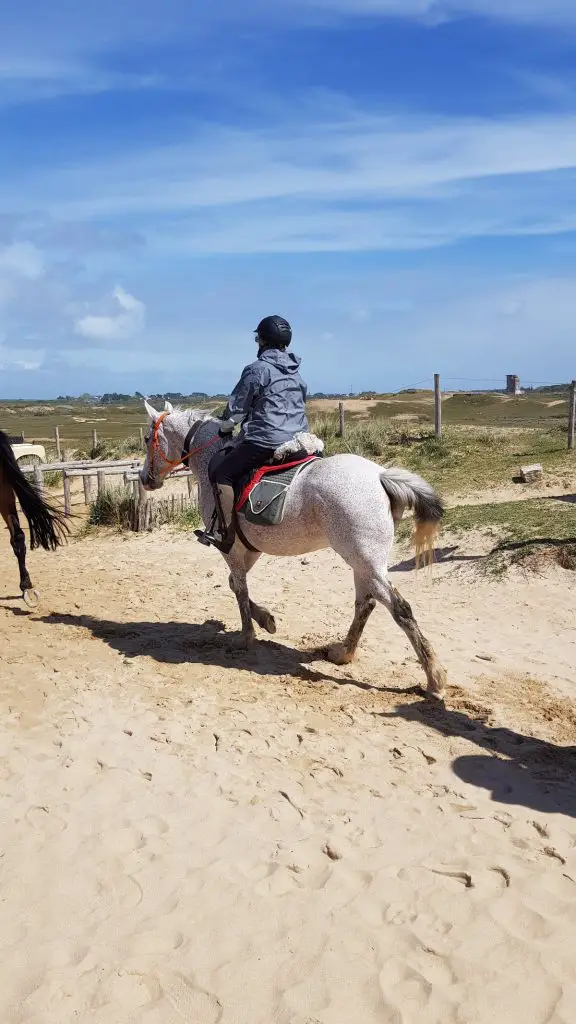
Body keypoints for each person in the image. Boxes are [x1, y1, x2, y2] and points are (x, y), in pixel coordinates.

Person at [197, 315, 308, 553]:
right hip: (300, 441)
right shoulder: (296, 372)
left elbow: (236, 410)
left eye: (258, 338)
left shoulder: (257, 369)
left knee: (221, 472)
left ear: (262, 341)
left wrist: (225, 428)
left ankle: (223, 532)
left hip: (265, 440)